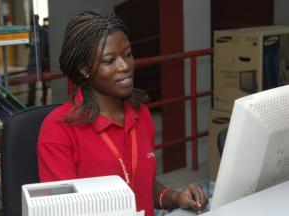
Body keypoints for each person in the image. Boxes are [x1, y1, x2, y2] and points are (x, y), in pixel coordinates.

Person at [37, 10, 208, 216]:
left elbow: (143, 186)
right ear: (84, 69)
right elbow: (63, 211)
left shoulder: (141, 114)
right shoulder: (57, 130)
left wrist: (176, 197)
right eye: (109, 61)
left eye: (128, 54)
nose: (125, 66)